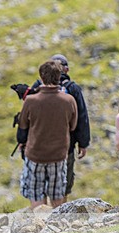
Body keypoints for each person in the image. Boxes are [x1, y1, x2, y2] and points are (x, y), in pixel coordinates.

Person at [29, 54, 91, 201]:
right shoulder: (72, 89)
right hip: (65, 147)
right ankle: (60, 218)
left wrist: (24, 140)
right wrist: (83, 143)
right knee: (62, 185)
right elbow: (81, 117)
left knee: (41, 185)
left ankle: (42, 218)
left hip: (39, 146)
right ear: (66, 70)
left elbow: (28, 117)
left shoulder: (37, 88)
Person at [16, 61, 77, 209]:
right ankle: (57, 230)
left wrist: (22, 143)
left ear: (41, 77)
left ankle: (39, 228)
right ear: (59, 76)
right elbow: (73, 126)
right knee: (57, 197)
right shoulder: (69, 100)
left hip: (35, 155)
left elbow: (22, 127)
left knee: (37, 197)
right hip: (58, 155)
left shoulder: (31, 101)